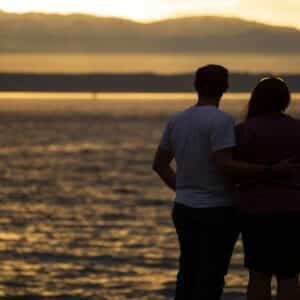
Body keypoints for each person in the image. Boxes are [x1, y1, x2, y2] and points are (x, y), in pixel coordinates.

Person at [152, 65, 292, 300]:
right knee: (212, 276)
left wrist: (184, 188)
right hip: (217, 209)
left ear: (195, 86)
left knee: (187, 272)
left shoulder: (177, 120)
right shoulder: (222, 121)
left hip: (184, 208)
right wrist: (270, 170)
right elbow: (225, 163)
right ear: (226, 87)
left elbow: (160, 165)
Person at [235, 77, 300, 300]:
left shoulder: (243, 131)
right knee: (289, 275)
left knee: (258, 274)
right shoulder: (297, 129)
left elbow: (231, 170)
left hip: (255, 209)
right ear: (285, 100)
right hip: (293, 209)